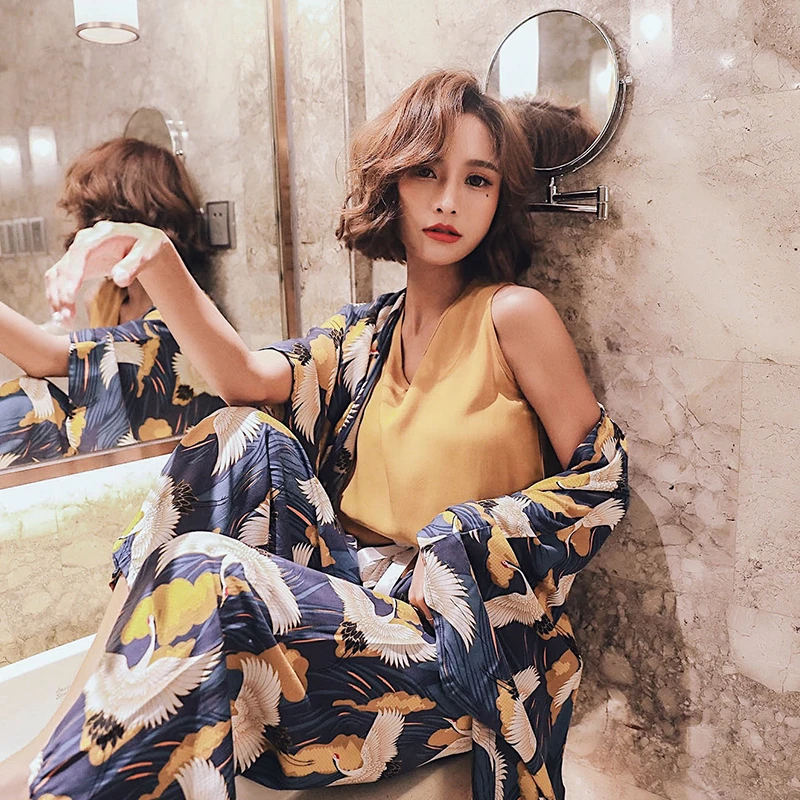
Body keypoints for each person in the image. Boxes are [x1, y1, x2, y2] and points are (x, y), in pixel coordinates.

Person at [0, 70, 629, 800]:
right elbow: (241, 377)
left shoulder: (514, 316)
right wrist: (159, 258)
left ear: (499, 198)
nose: (449, 200)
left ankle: (51, 777)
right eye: (427, 171)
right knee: (234, 434)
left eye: (477, 180)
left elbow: (602, 480)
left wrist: (467, 538)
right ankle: (52, 753)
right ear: (391, 181)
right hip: (351, 609)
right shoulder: (367, 335)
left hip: (451, 648)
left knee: (207, 570)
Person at [0, 138, 225, 468]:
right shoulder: (108, 298)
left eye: (89, 217)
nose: (82, 232)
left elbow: (45, 356)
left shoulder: (183, 317)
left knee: (22, 407)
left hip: (175, 476)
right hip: (120, 464)